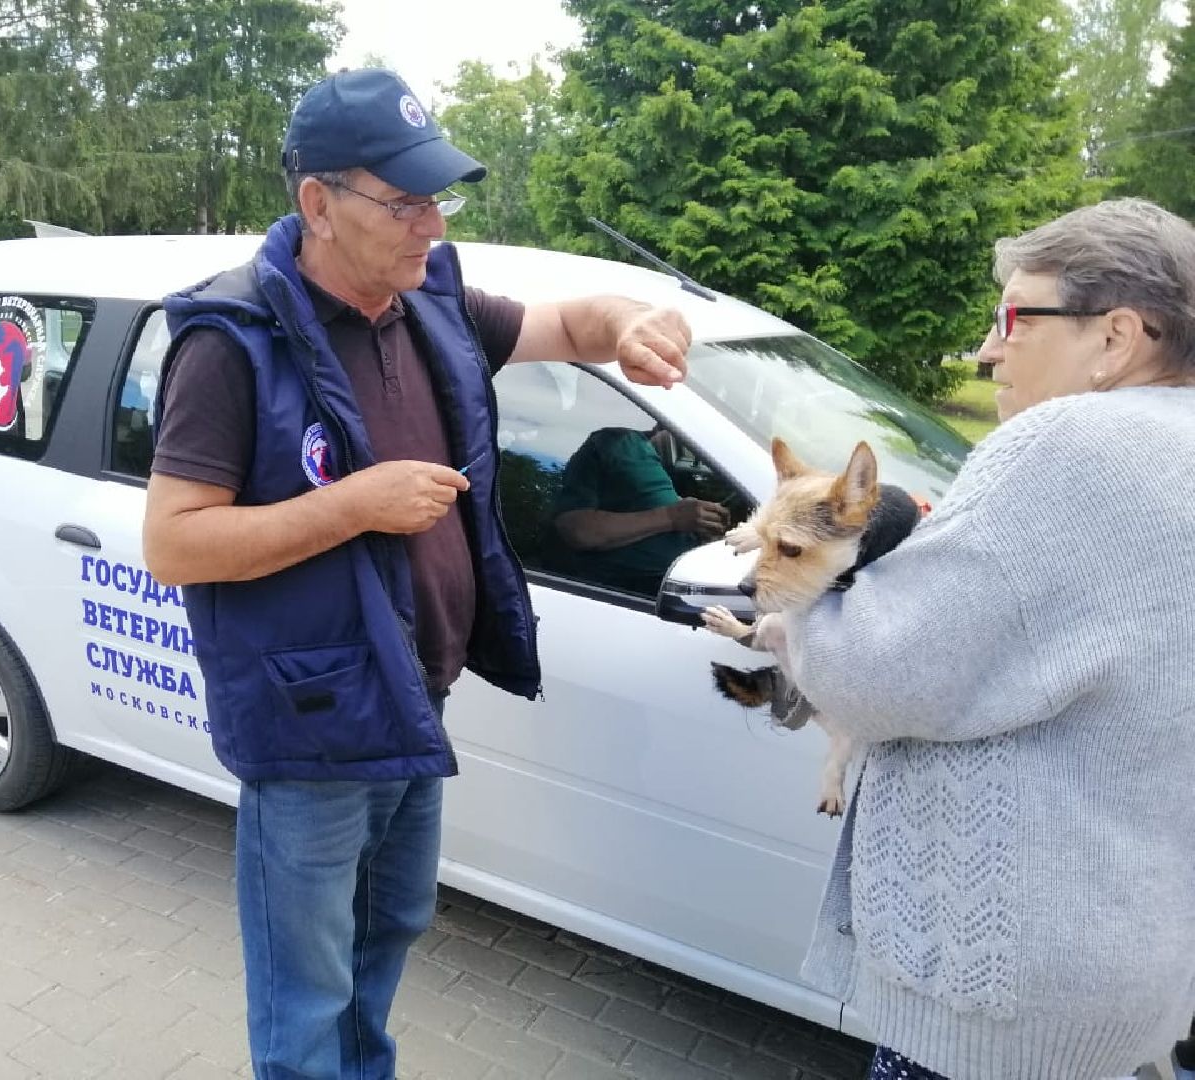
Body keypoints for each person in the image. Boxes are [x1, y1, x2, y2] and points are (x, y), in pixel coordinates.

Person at [141, 67, 693, 1080]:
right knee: (308, 997)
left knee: (386, 936)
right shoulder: (234, 343)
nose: (430, 223)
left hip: (411, 701)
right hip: (308, 729)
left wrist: (624, 325)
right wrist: (354, 505)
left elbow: (569, 326)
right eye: (403, 202)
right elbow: (175, 542)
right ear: (317, 203)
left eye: (439, 197)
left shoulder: (429, 302)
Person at [772, 197, 1195, 1080]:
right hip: (1134, 953)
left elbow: (880, 676)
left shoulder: (1067, 443)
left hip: (1005, 1002)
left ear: (1115, 338)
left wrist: (796, 595)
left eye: (1012, 318)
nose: (987, 350)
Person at [544, 424, 729, 594]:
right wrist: (671, 517)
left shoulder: (682, 474)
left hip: (677, 601)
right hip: (618, 600)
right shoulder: (620, 444)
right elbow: (577, 529)